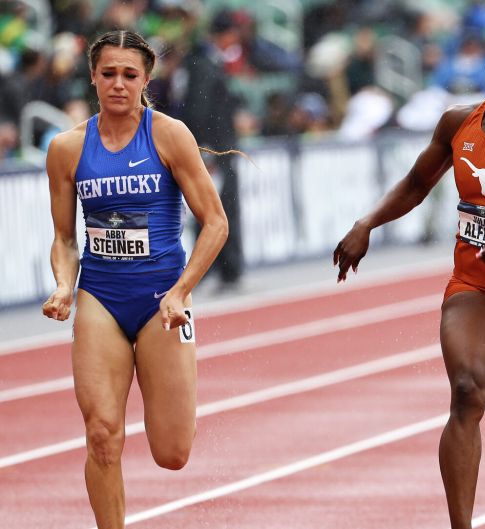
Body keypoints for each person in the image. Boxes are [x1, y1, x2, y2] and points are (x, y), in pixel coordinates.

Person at [334, 20, 485, 529]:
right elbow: (417, 181)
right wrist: (367, 223)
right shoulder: (457, 123)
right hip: (476, 288)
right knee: (467, 391)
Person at [40, 30, 228, 529]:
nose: (118, 84)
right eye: (108, 74)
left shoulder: (168, 135)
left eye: (129, 75)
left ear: (146, 80)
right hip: (100, 296)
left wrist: (181, 291)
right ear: (93, 77)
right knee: (102, 433)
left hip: (161, 300)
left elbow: (216, 222)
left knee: (172, 452)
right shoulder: (66, 148)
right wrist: (63, 284)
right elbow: (64, 238)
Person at [175, 9, 245, 290]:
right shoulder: (204, 64)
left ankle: (221, 269)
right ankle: (225, 270)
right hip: (215, 149)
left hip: (215, 146)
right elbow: (199, 109)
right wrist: (205, 146)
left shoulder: (203, 61)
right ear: (225, 35)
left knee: (214, 208)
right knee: (219, 208)